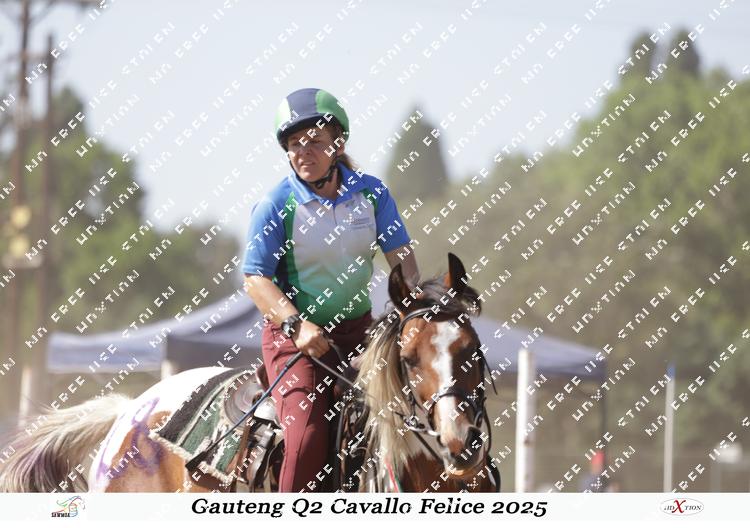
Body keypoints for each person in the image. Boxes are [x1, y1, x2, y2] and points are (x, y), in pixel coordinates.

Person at [242, 87, 420, 492]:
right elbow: (255, 279)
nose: (303, 152)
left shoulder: (373, 194)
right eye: (294, 144)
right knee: (306, 437)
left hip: (360, 333)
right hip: (295, 341)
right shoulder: (275, 204)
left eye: (315, 142)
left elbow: (403, 260)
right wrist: (296, 326)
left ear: (338, 144)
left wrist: (410, 307)